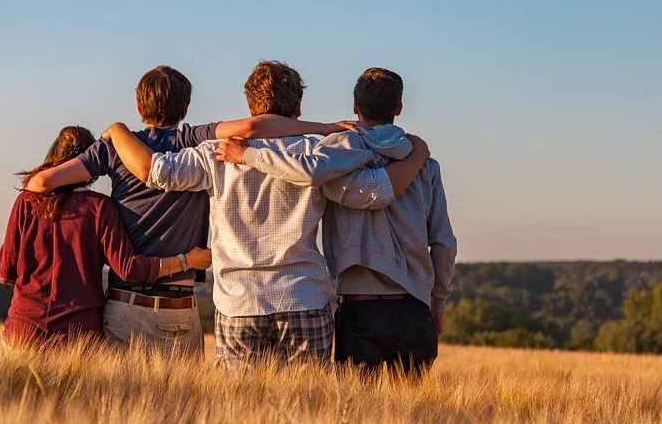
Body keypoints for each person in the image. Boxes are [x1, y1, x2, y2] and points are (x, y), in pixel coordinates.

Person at [101, 61, 430, 366]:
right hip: (304, 297)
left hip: (239, 302)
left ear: (250, 106)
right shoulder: (318, 153)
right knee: (309, 411)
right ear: (298, 107)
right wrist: (417, 154)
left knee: (239, 412)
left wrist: (118, 131)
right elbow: (374, 193)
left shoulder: (214, 153)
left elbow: (156, 171)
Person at [24, 65, 356, 354]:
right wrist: (325, 128)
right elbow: (254, 128)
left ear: (139, 106)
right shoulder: (194, 140)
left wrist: (113, 135)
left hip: (128, 303)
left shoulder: (115, 147)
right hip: (184, 305)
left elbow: (40, 184)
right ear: (186, 107)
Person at [217, 67, 456, 376]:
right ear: (398, 108)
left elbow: (309, 172)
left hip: (359, 309)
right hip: (414, 308)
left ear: (356, 107)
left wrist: (248, 155)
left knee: (355, 415)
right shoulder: (425, 165)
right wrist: (438, 303)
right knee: (413, 418)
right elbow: (444, 244)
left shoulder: (335, 156)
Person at [0, 126, 211, 346]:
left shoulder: (26, 202)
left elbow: (5, 272)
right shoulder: (99, 208)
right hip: (78, 335)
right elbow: (129, 269)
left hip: (23, 330)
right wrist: (187, 261)